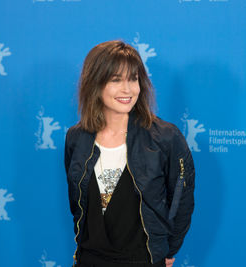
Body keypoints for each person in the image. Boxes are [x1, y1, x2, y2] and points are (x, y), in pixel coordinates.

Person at [64, 40, 195, 267]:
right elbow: (78, 204)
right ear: (95, 84)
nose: (128, 89)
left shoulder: (165, 137)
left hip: (143, 260)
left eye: (133, 79)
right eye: (116, 80)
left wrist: (168, 249)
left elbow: (181, 201)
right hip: (90, 260)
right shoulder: (76, 137)